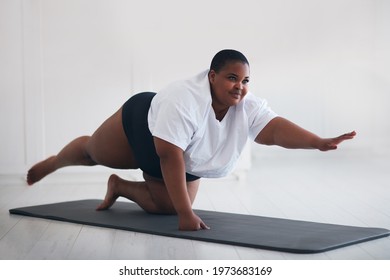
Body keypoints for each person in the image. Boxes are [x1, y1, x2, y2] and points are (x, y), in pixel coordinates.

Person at [26, 49, 356, 231]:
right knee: (91, 153)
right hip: (143, 122)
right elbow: (170, 157)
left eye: (244, 80)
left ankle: (119, 187)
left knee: (167, 205)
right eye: (231, 77)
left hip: (184, 144)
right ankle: (56, 161)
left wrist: (317, 141)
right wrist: (186, 215)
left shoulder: (244, 101)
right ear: (211, 76)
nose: (239, 86)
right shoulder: (182, 99)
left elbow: (272, 129)